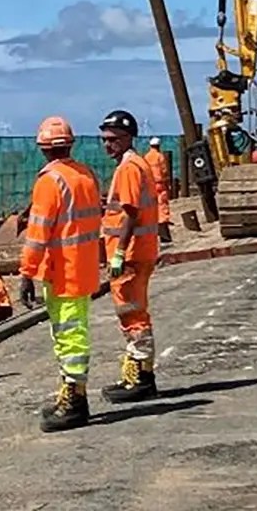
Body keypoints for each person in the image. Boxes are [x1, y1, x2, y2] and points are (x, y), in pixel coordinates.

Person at [19, 115, 103, 432]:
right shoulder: (86, 175)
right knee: (71, 332)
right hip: (82, 266)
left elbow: (38, 233)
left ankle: (75, 400)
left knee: (69, 335)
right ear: (70, 144)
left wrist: (26, 274)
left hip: (62, 272)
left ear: (42, 148)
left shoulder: (49, 182)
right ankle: (70, 393)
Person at [98, 109, 162, 403]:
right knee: (136, 312)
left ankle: (139, 377)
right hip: (140, 249)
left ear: (127, 139)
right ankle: (140, 373)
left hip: (131, 254)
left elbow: (131, 213)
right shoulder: (137, 164)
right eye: (105, 140)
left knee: (132, 314)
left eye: (113, 140)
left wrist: (119, 253)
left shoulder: (129, 168)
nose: (107, 145)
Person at [143, 137, 173, 243]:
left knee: (153, 206)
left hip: (150, 185)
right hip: (160, 184)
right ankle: (164, 231)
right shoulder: (159, 156)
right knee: (162, 205)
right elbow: (164, 171)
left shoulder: (146, 157)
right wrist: (168, 182)